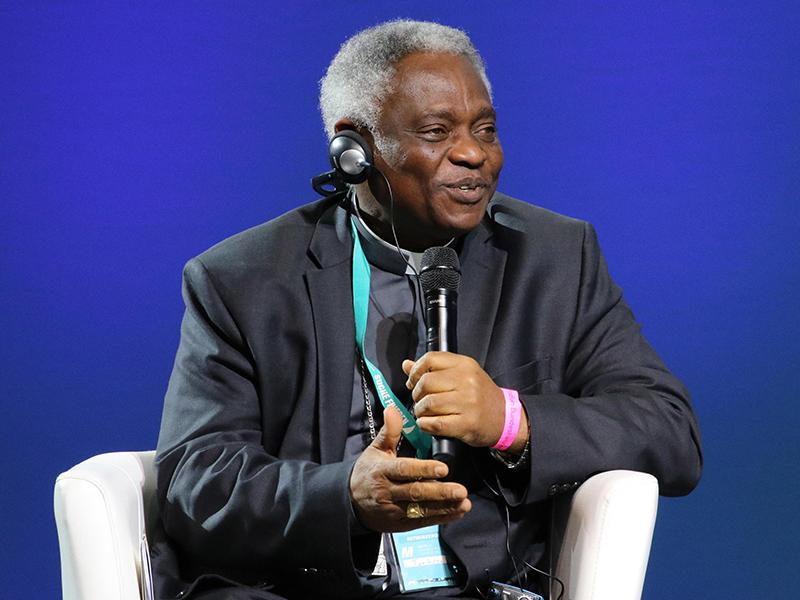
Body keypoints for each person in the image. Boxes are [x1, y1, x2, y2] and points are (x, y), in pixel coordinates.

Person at [151, 19, 702, 600]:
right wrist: (345, 496)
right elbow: (196, 479)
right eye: (437, 132)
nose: (473, 154)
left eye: (485, 129)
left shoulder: (555, 258)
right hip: (304, 586)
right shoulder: (243, 279)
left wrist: (508, 420)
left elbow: (670, 432)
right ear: (354, 151)